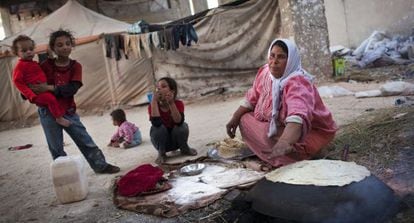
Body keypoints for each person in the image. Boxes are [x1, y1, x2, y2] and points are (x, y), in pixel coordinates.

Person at [226, 39, 337, 168]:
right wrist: (234, 118)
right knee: (244, 119)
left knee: (267, 136)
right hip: (281, 125)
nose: (274, 62)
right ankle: (278, 152)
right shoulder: (266, 73)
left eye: (281, 57)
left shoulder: (297, 82)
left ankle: (300, 156)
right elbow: (252, 97)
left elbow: (298, 115)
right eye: (272, 56)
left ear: (290, 60)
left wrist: (285, 142)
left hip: (312, 132)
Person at [29, 29, 120, 174]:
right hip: (48, 112)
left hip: (68, 111)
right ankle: (65, 174)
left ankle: (100, 165)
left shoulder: (75, 66)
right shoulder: (46, 66)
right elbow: (35, 84)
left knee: (85, 140)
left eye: (67, 43)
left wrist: (48, 88)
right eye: (59, 45)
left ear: (72, 46)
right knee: (56, 146)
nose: (64, 47)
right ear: (53, 48)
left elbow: (71, 89)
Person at [12, 35, 71, 127]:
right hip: (36, 94)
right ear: (17, 53)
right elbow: (18, 82)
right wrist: (30, 95)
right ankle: (59, 118)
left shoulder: (33, 63)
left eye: (31, 49)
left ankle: (59, 115)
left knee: (54, 99)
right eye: (24, 51)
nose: (29, 52)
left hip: (43, 90)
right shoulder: (20, 66)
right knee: (51, 99)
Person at [148, 77, 197, 164]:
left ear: (172, 91)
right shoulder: (153, 106)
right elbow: (156, 123)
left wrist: (171, 103)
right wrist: (154, 102)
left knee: (183, 126)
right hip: (162, 143)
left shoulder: (178, 103)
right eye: (158, 87)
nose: (159, 89)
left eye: (163, 86)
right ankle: (161, 153)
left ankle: (184, 148)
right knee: (157, 128)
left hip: (177, 141)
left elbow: (179, 122)